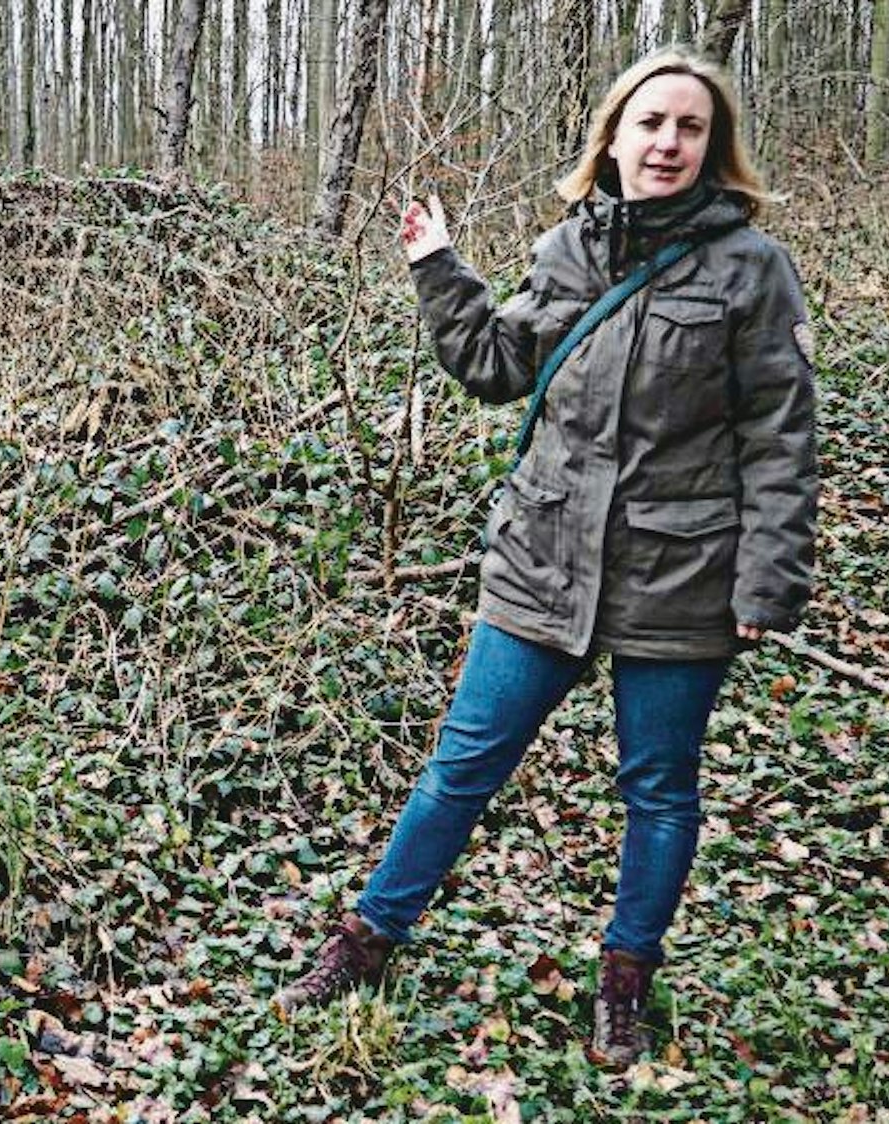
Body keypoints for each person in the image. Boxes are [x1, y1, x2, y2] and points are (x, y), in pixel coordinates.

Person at [272, 46, 818, 1071]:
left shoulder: (751, 270)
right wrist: (437, 265)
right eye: (647, 122)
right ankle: (363, 941)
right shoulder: (566, 250)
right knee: (457, 769)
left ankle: (623, 980)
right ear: (610, 135)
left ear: (713, 148)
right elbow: (493, 365)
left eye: (687, 127)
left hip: (679, 573)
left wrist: (765, 579)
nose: (664, 142)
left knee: (658, 788)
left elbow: (780, 436)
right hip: (541, 560)